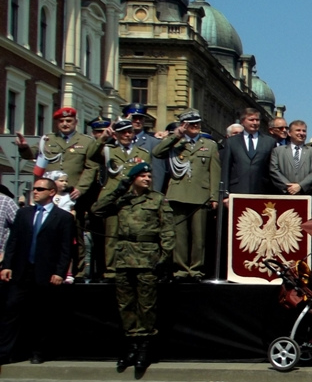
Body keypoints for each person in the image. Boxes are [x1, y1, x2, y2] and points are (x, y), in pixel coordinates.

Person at [91, 162, 174, 374]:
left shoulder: (156, 199)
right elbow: (97, 210)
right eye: (142, 176)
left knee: (146, 306)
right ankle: (130, 347)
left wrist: (165, 257)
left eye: (149, 176)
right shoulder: (122, 199)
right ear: (133, 178)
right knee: (125, 305)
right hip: (124, 257)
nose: (147, 179)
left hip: (147, 258)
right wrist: (120, 188)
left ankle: (144, 348)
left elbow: (167, 230)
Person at [15, 107, 101, 280]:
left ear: (75, 122)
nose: (65, 124)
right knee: (47, 232)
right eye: (61, 121)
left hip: (73, 196)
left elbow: (91, 167)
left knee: (74, 235)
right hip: (51, 195)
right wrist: (23, 147)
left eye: (68, 121)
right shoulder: (48, 140)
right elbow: (31, 154)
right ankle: (47, 267)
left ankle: (76, 271)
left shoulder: (86, 141)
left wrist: (81, 188)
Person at [0, 178, 75, 368]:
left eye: (40, 189)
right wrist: (7, 265)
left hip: (46, 272)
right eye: (34, 189)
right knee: (11, 310)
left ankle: (38, 352)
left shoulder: (63, 217)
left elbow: (66, 248)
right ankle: (5, 352)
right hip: (22, 271)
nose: (35, 191)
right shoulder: (24, 214)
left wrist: (60, 272)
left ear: (51, 192)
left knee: (42, 314)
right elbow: (13, 242)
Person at [151, 110, 221, 280]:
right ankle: (180, 269)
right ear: (184, 125)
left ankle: (196, 269)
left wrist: (214, 197)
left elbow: (215, 172)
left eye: (198, 123)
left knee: (199, 237)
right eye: (191, 124)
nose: (196, 126)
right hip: (178, 194)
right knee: (179, 237)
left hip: (200, 194)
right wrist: (175, 136)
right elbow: (156, 153)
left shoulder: (209, 145)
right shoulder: (175, 143)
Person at [96, 119, 151, 280]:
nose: (127, 135)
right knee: (112, 236)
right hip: (114, 199)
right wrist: (103, 138)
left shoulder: (142, 153)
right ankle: (111, 270)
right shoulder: (107, 151)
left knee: (136, 236)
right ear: (116, 134)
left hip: (134, 199)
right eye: (123, 132)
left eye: (130, 132)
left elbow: (146, 177)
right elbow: (92, 154)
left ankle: (134, 267)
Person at [220, 107, 276, 197]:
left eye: (257, 120)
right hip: (237, 190)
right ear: (242, 121)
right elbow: (226, 169)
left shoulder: (269, 142)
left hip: (262, 191)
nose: (255, 123)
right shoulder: (232, 142)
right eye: (251, 120)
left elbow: (272, 169)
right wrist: (225, 195)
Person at [269, 121, 312, 195]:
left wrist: (300, 186)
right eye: (298, 130)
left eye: (304, 131)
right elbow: (274, 170)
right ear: (289, 133)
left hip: (306, 195)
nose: (301, 133)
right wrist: (289, 187)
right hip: (284, 195)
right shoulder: (278, 151)